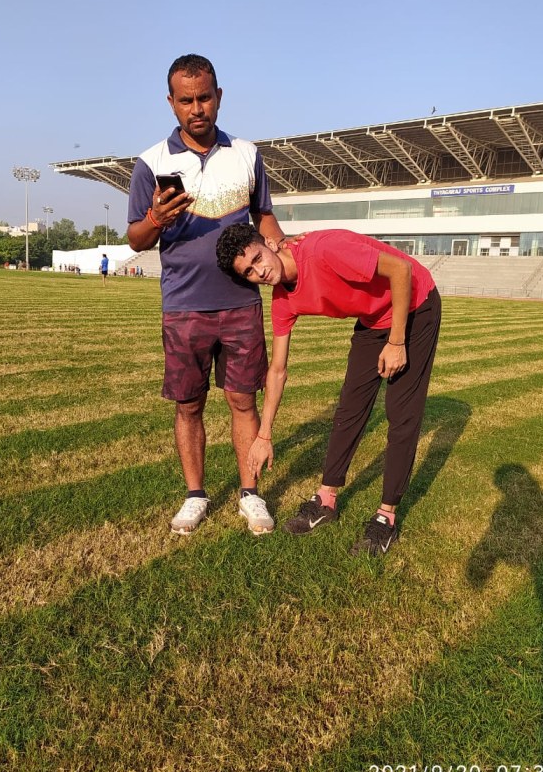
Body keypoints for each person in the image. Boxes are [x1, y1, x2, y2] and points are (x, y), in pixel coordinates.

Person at [127, 54, 286, 536]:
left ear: (219, 97)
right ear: (171, 103)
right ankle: (195, 495)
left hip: (241, 302)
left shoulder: (246, 153)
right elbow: (135, 239)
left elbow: (264, 217)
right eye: (186, 100)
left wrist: (282, 250)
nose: (197, 108)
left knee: (243, 400)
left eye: (205, 98)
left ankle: (250, 493)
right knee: (188, 404)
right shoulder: (151, 163)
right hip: (183, 305)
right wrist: (156, 220)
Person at [216, 224, 441, 555]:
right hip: (373, 319)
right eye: (249, 273)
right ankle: (326, 500)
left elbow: (401, 268)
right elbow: (277, 371)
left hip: (414, 304)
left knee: (401, 413)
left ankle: (386, 518)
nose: (259, 271)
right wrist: (263, 435)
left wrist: (396, 342)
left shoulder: (324, 250)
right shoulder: (282, 300)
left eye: (257, 259)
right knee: (349, 408)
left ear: (267, 244)